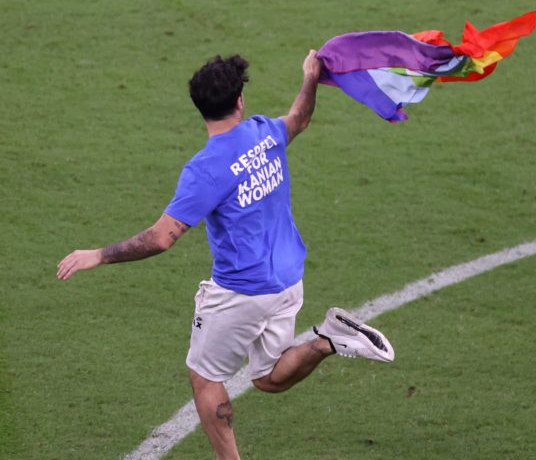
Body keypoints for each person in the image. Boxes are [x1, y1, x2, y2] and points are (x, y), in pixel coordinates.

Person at [57, 53, 395, 460]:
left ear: (199, 107)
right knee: (268, 378)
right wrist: (309, 78)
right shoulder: (263, 132)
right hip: (288, 280)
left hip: (241, 292)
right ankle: (329, 340)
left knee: (204, 378)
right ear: (239, 102)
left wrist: (99, 255)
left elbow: (162, 238)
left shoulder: (206, 169)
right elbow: (300, 119)